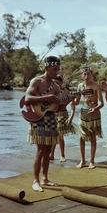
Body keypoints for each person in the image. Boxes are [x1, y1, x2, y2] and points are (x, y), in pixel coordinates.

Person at [26, 56, 63, 192]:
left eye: (58, 69)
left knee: (48, 150)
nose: (56, 72)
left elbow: (58, 107)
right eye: (54, 69)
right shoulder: (36, 81)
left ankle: (45, 178)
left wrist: (65, 101)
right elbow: (28, 98)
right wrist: (46, 97)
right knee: (41, 150)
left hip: (51, 119)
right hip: (38, 119)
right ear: (47, 67)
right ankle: (35, 181)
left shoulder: (57, 87)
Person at [74, 66, 104, 169]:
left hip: (94, 112)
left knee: (92, 137)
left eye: (88, 74)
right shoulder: (80, 86)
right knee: (81, 137)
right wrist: (70, 99)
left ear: (91, 75)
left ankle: (91, 161)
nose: (86, 76)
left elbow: (101, 102)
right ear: (82, 75)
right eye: (84, 74)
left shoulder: (97, 86)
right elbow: (77, 101)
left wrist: (96, 108)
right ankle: (82, 160)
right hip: (83, 112)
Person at [49, 75, 77, 163]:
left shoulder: (66, 92)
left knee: (60, 135)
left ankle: (62, 155)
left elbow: (73, 105)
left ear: (61, 83)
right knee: (53, 135)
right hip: (52, 113)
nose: (55, 84)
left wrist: (71, 117)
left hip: (62, 114)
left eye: (57, 83)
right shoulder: (52, 91)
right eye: (54, 83)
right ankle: (51, 154)